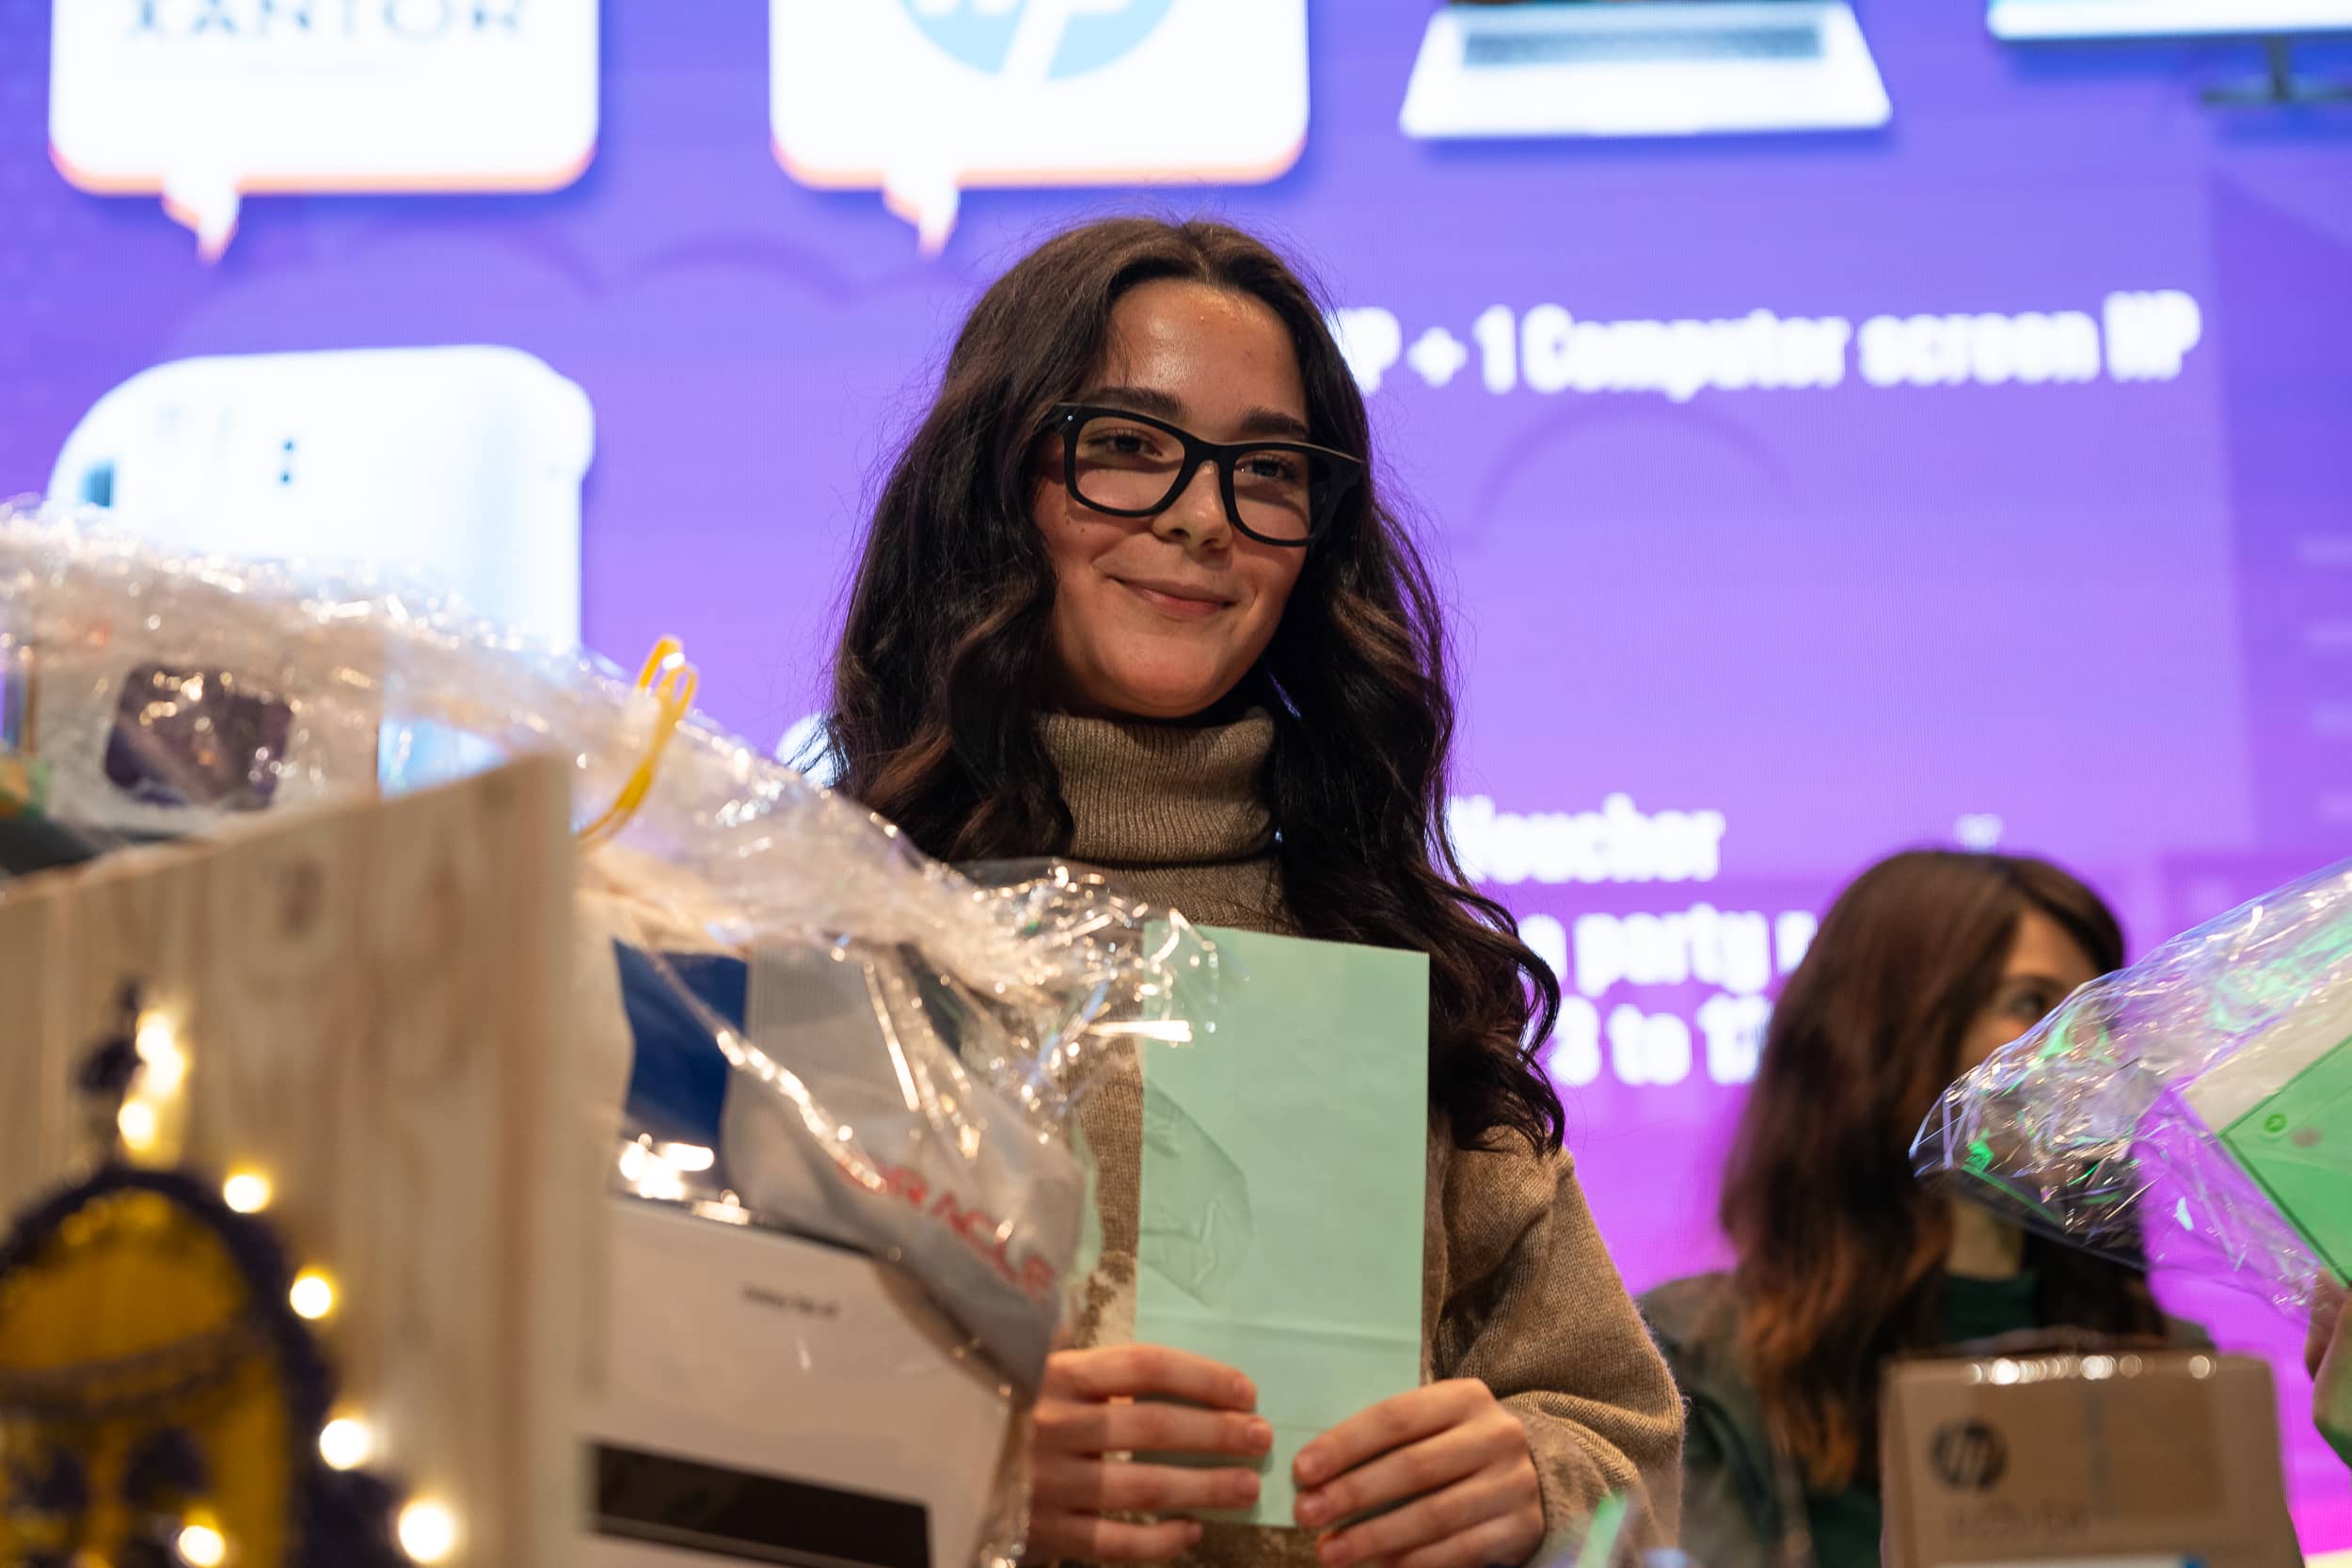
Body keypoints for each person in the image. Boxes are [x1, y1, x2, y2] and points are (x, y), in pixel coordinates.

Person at [820, 217, 1681, 1567]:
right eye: (1125, 444)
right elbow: (662, 1421)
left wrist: (1535, 1486)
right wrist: (955, 1469)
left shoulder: (1384, 956)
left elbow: (1624, 1445)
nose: (1203, 515)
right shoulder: (824, 934)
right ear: (993, 486)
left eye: (1268, 470)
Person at [1641, 850, 2199, 1568]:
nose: (2092, 1054)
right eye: (2032, 1004)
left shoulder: (2171, 1361)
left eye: (2102, 1017)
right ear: (1885, 1039)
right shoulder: (1688, 1366)